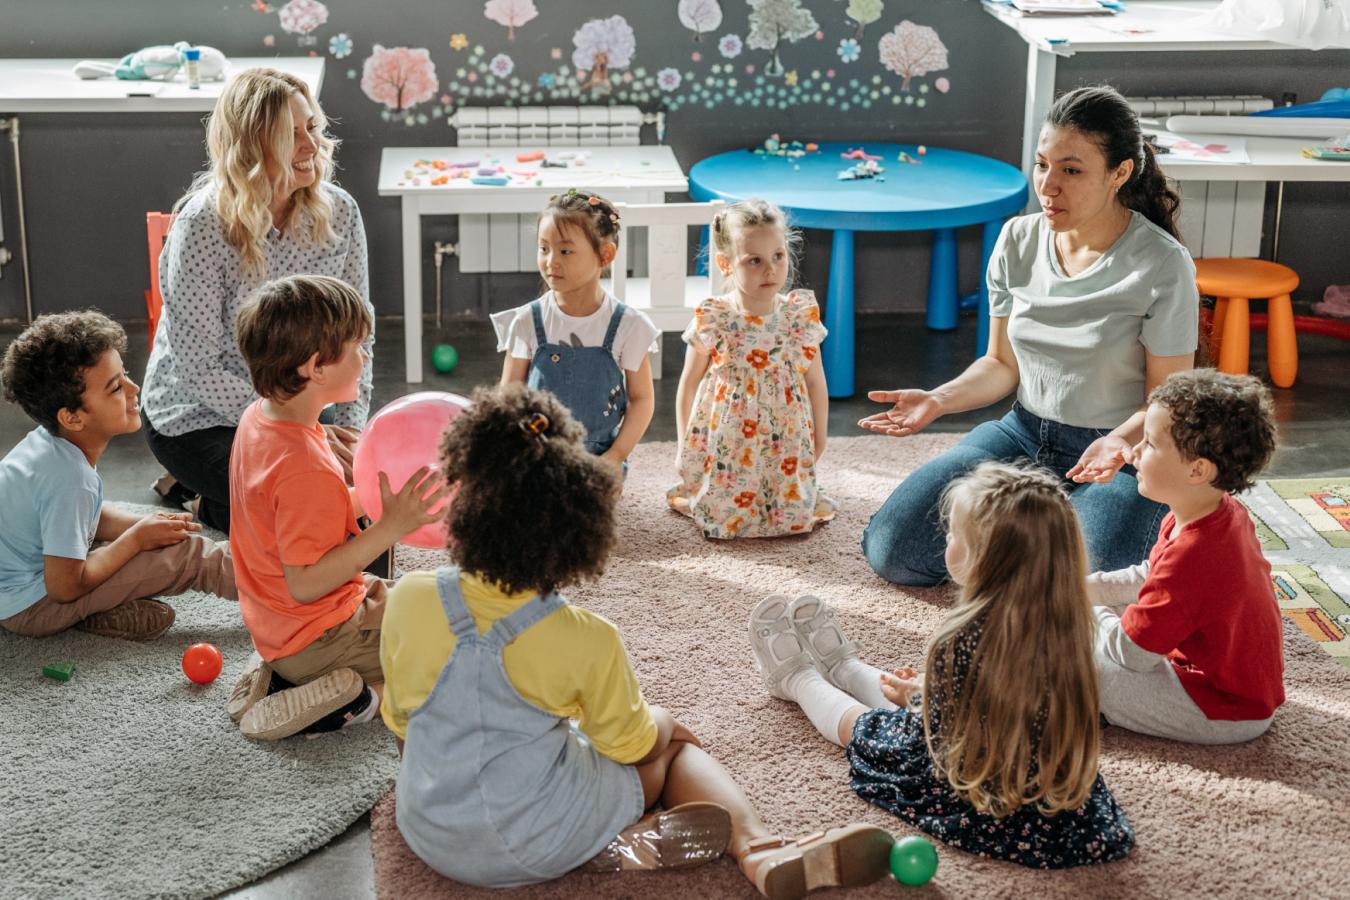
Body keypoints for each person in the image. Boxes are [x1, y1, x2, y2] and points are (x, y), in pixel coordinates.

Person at [380, 384, 894, 899]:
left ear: (460, 501)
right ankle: (760, 851)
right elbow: (631, 744)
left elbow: (404, 723)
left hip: (430, 831)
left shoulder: (408, 597)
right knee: (670, 752)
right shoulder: (586, 638)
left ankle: (605, 842)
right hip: (538, 838)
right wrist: (668, 724)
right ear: (579, 533)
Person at [860, 85, 1199, 585]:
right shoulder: (1017, 239)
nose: (1048, 185)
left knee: (1091, 585)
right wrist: (938, 399)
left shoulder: (1162, 264)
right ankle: (1036, 540)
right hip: (1021, 432)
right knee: (893, 550)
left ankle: (1033, 542)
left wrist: (1119, 443)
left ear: (1120, 173)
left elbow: (1166, 399)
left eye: (1071, 169)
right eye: (1042, 165)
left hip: (1116, 453)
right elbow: (1001, 365)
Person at [751, 462, 1134, 868]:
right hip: (1056, 795)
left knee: (868, 729)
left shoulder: (963, 637)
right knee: (904, 704)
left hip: (988, 790)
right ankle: (844, 667)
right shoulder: (1075, 622)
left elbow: (942, 730)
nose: (946, 538)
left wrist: (925, 697)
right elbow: (1000, 698)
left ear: (982, 559)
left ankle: (797, 679)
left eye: (953, 534)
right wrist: (926, 692)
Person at [140, 67, 373, 533]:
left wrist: (351, 434)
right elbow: (198, 367)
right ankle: (206, 502)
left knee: (353, 497)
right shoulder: (203, 225)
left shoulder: (340, 212)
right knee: (307, 502)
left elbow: (358, 336)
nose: (312, 145)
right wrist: (298, 429)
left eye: (313, 127)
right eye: (291, 134)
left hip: (302, 407)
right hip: (198, 418)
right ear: (250, 146)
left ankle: (217, 499)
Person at [225, 276, 446, 742]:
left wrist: (371, 500)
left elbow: (297, 519)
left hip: (281, 621)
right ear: (315, 368)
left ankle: (280, 673)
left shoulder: (260, 419)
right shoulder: (304, 465)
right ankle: (354, 700)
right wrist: (390, 527)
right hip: (317, 633)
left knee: (431, 598)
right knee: (453, 661)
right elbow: (305, 584)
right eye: (356, 347)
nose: (364, 358)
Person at [0, 311, 235, 639]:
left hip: (22, 583)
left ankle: (102, 611)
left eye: (124, 374)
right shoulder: (70, 481)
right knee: (187, 556)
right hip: (32, 607)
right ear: (72, 417)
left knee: (146, 538)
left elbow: (90, 515)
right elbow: (65, 586)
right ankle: (288, 589)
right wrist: (137, 540)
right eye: (115, 387)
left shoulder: (49, 443)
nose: (133, 386)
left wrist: (143, 526)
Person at [1090, 370, 1283, 743]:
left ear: (1197, 469)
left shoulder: (1195, 555)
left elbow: (1131, 655)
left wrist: (1082, 608)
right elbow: (1151, 577)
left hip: (1226, 708)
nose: (1134, 452)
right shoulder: (1212, 512)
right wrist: (1084, 589)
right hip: (1217, 676)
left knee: (1094, 673)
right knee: (1103, 615)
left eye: (1149, 443)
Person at [667, 199, 833, 539]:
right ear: (726, 264)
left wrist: (820, 436)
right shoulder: (715, 317)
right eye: (754, 260)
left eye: (778, 256)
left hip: (785, 439)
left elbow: (816, 382)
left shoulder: (797, 317)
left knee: (788, 510)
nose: (770, 270)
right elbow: (688, 384)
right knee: (724, 512)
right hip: (730, 440)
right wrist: (685, 444)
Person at [492, 189, 656, 473]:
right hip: (537, 454)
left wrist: (616, 456)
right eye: (544, 248)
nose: (551, 261)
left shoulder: (629, 326)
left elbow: (641, 399)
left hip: (599, 460)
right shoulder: (527, 320)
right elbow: (509, 394)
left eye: (565, 251)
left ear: (605, 255)